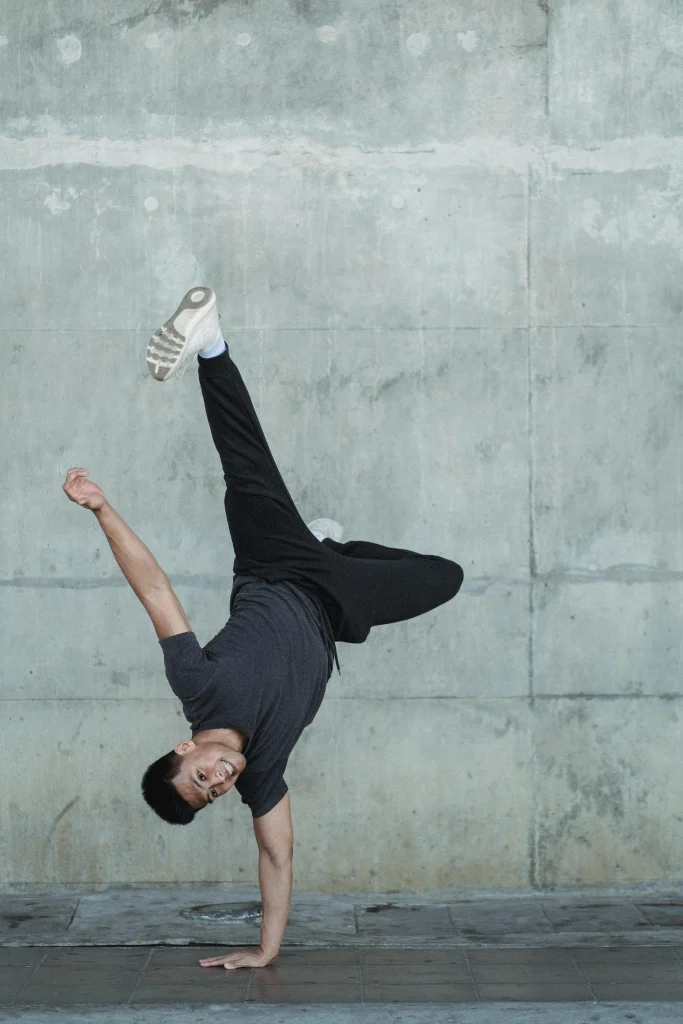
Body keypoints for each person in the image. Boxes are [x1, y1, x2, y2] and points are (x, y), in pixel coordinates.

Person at [62, 286, 463, 970]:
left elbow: (155, 591)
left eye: (199, 776)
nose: (217, 782)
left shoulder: (199, 684)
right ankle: (333, 548)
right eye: (212, 792)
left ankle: (211, 341)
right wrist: (264, 950)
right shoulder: (263, 773)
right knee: (443, 576)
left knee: (244, 461)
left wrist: (101, 510)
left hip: (273, 563)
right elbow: (277, 852)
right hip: (334, 604)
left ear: (185, 746)